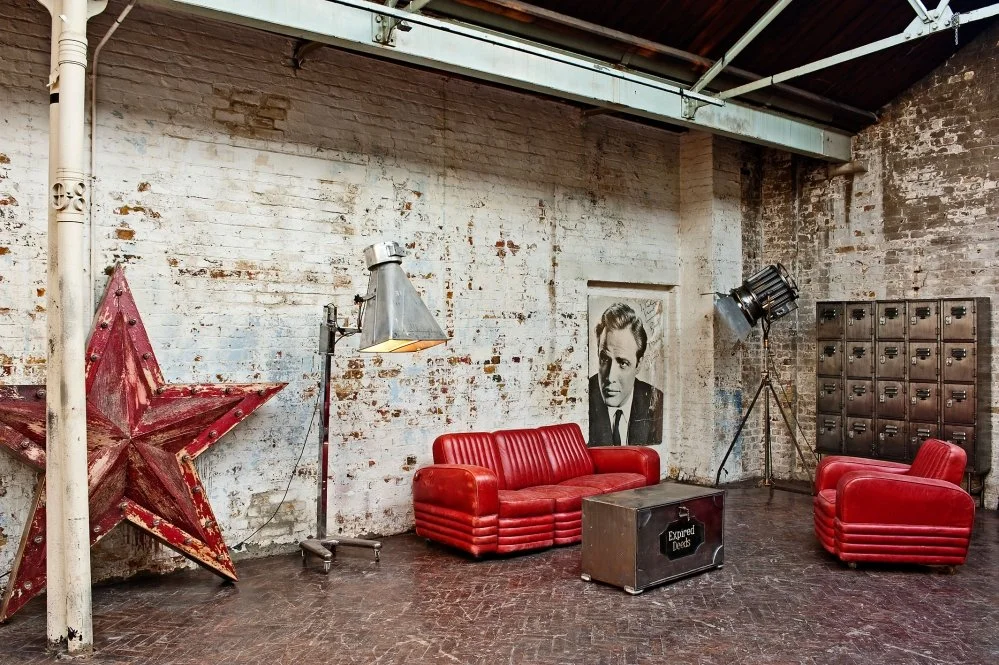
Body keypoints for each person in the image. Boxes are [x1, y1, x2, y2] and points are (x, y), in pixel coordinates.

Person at [588, 302, 663, 446]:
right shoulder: (581, 399)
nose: (610, 377)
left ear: (638, 365)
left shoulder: (656, 401)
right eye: (604, 359)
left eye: (623, 363)